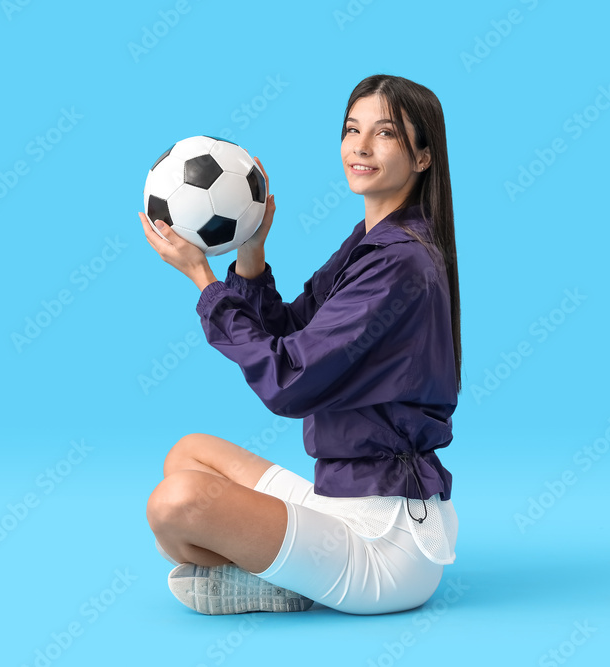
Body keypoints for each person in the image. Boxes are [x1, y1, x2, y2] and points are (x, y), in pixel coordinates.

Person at [138, 73, 462, 616]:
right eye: (351, 129)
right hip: (341, 506)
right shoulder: (372, 242)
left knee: (177, 503)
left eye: (385, 133)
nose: (360, 146)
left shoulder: (400, 265)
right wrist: (250, 252)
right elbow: (289, 331)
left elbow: (288, 380)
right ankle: (289, 569)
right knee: (188, 454)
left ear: (424, 157)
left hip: (385, 546)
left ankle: (292, 582)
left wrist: (203, 281)